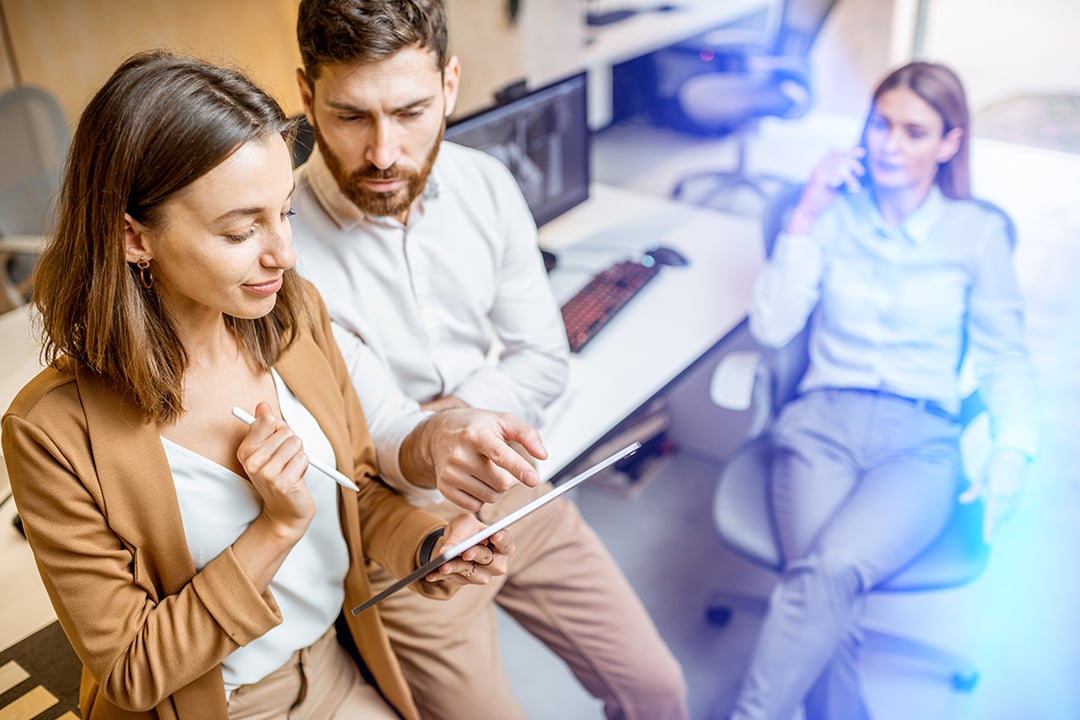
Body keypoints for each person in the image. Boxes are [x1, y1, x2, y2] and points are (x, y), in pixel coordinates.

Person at [1, 50, 519, 720]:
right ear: (134, 237)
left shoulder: (291, 315)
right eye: (243, 229)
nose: (283, 254)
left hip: (333, 667)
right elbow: (131, 672)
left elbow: (356, 493)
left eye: (286, 215)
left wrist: (429, 545)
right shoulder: (51, 432)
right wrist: (273, 529)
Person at [288, 1, 689, 718]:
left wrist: (457, 418)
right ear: (305, 95)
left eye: (410, 111)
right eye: (351, 116)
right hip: (405, 538)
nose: (383, 153)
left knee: (658, 689)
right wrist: (441, 433)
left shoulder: (486, 186)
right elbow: (377, 435)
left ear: (449, 85)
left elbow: (545, 361)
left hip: (514, 490)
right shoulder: (285, 249)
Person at [724, 61, 1039, 719]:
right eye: (880, 124)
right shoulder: (833, 214)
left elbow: (1005, 356)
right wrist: (806, 212)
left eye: (914, 132)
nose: (887, 145)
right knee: (824, 584)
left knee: (828, 571)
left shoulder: (976, 234)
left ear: (950, 143)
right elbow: (772, 324)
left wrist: (1014, 451)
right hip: (820, 425)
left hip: (918, 441)